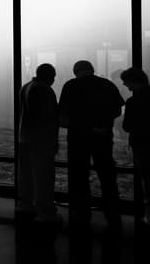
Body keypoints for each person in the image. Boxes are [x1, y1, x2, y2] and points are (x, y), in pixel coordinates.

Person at [59, 60, 124, 229]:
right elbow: (117, 110)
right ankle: (112, 212)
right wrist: (102, 124)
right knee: (107, 175)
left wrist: (79, 125)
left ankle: (81, 212)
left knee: (78, 175)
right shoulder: (106, 84)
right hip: (103, 137)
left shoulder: (70, 86)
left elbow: (63, 115)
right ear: (92, 70)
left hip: (78, 138)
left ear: (76, 71)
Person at [17, 63, 62, 223]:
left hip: (24, 138)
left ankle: (25, 204)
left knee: (26, 174)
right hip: (41, 139)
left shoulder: (26, 86)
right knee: (43, 176)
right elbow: (47, 116)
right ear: (50, 76)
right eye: (54, 76)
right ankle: (45, 212)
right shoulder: (44, 90)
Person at [120, 67, 150, 225]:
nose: (127, 87)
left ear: (134, 82)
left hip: (141, 144)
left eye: (127, 83)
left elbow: (127, 126)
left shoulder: (133, 102)